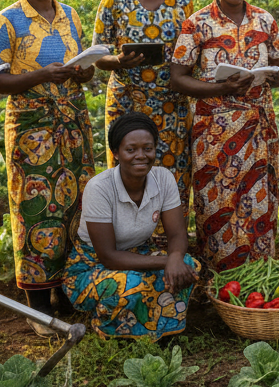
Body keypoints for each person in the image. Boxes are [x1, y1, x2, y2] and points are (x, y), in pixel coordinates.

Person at [0, 0, 97, 335]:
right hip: (33, 129)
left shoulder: (69, 14)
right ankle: (37, 307)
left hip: (73, 123)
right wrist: (41, 75)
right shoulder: (8, 20)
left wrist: (84, 71)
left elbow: (80, 67)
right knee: (36, 211)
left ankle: (69, 293)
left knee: (76, 208)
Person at [169, 0, 279, 271]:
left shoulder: (265, 21)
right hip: (214, 132)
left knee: (259, 201)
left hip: (258, 129)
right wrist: (219, 88)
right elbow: (177, 78)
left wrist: (268, 77)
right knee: (218, 203)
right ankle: (219, 280)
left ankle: (257, 275)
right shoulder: (197, 24)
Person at [64, 113, 201, 339]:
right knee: (132, 282)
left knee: (188, 265)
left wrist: (176, 259)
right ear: (116, 153)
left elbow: (177, 233)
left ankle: (161, 327)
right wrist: (168, 261)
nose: (141, 156)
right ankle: (107, 324)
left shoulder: (163, 178)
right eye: (131, 150)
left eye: (147, 148)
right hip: (90, 266)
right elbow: (108, 257)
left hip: (138, 254)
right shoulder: (99, 188)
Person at [92, 0, 195, 202]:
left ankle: (171, 238)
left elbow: (193, 51)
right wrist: (117, 61)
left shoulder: (182, 1)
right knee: (128, 172)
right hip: (127, 100)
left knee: (173, 168)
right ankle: (130, 240)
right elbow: (97, 55)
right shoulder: (113, 1)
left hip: (171, 102)